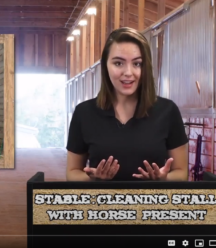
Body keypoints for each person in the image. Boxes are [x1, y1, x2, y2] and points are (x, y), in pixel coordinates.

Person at [66, 27, 188, 181]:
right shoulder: (84, 113)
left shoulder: (168, 111)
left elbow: (181, 172)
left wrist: (162, 179)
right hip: (101, 204)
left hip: (152, 204)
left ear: (146, 67)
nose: (128, 72)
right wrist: (94, 180)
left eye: (137, 64)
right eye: (118, 63)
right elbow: (72, 172)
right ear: (105, 66)